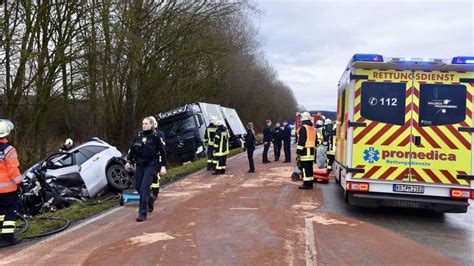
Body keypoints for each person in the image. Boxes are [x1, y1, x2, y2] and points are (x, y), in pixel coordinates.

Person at [125, 117, 167, 222]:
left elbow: (163, 152)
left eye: (146, 124)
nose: (144, 125)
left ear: (152, 125)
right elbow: (133, 149)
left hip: (151, 165)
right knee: (138, 186)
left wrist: (163, 166)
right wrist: (128, 161)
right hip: (139, 165)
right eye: (143, 123)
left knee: (144, 188)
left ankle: (142, 213)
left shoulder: (155, 136)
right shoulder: (138, 135)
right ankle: (150, 200)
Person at [0, 119, 24, 247]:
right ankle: (7, 238)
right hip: (8, 190)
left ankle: (1, 236)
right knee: (10, 212)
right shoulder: (9, 150)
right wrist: (21, 184)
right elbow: (13, 171)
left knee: (0, 214)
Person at [148, 116, 167, 213]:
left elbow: (162, 149)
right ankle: (150, 196)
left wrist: (163, 165)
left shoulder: (159, 135)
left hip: (156, 160)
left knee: (155, 179)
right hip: (148, 162)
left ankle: (153, 195)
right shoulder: (144, 135)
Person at [296, 112, 317, 190]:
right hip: (312, 152)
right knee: (310, 169)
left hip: (305, 152)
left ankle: (306, 184)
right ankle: (310, 184)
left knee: (305, 169)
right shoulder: (313, 128)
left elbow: (302, 141)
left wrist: (298, 151)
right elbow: (316, 141)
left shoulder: (303, 128)